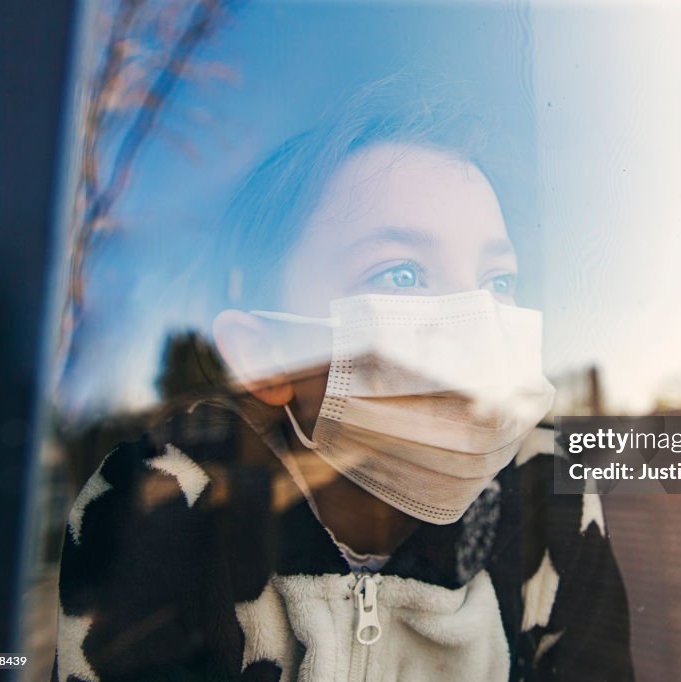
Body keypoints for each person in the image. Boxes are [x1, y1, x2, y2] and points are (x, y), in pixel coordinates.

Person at [52, 76, 633, 681]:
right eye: (402, 275)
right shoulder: (164, 506)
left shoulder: (550, 498)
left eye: (497, 282)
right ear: (266, 358)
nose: (478, 324)